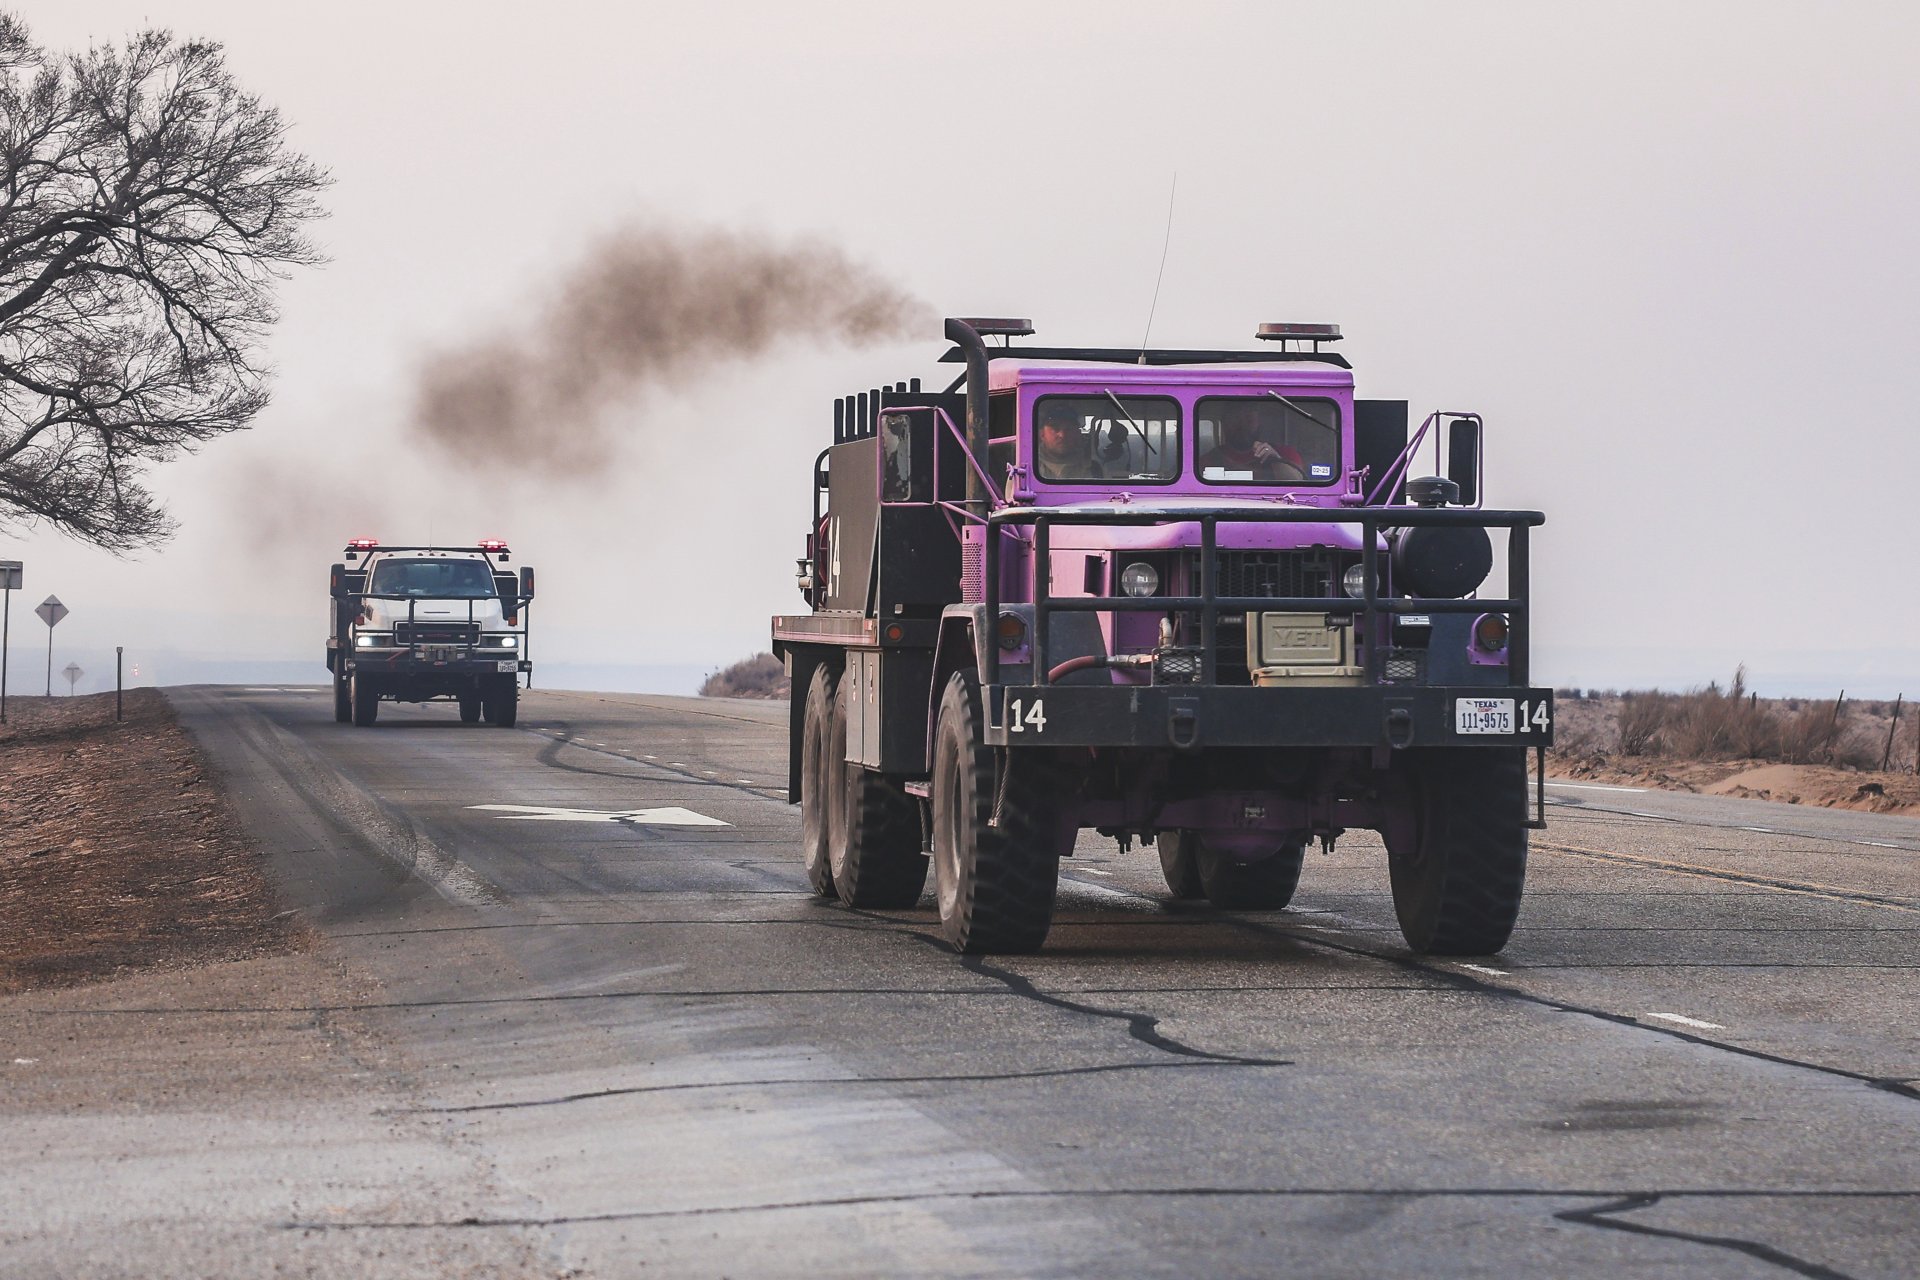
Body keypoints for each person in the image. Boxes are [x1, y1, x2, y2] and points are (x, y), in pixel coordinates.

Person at [1199, 402, 1305, 482]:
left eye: (1249, 419)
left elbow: (1298, 483)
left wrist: (1275, 460)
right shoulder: (1209, 459)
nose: (1242, 426)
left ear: (1259, 422)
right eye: (1235, 419)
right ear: (1224, 423)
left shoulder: (1286, 454)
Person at [1035, 402, 1103, 481]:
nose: (1062, 435)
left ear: (1077, 434)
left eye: (1069, 429)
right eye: (1055, 428)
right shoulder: (1028, 465)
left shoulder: (1094, 469)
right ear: (1042, 434)